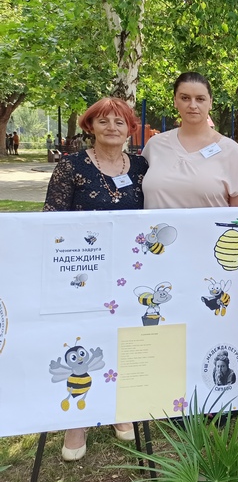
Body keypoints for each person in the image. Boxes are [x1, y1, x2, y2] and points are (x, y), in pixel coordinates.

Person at [43, 97, 148, 461]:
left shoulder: (140, 167)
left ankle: (122, 410)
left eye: (120, 122)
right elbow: (50, 219)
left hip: (127, 270)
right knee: (82, 338)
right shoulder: (71, 166)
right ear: (90, 126)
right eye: (103, 121)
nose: (112, 128)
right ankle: (79, 421)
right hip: (81, 270)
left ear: (130, 129)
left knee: (122, 335)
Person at [141, 72, 238, 209]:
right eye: (185, 98)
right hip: (157, 230)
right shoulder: (155, 146)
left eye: (200, 99)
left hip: (210, 231)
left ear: (210, 103)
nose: (193, 105)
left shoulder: (230, 150)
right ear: (175, 101)